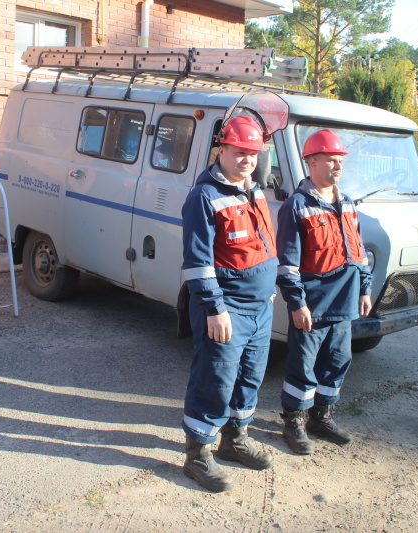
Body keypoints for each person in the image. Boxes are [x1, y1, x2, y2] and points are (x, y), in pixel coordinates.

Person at [180, 115, 278, 492]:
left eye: (252, 153)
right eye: (239, 152)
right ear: (221, 149)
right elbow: (197, 262)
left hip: (259, 308)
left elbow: (262, 244)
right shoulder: (204, 196)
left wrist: (268, 284)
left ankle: (234, 441)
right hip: (228, 309)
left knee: (249, 377)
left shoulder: (253, 191)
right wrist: (214, 309)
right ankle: (198, 456)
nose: (247, 160)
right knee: (215, 380)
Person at [276, 129, 373, 455]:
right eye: (330, 160)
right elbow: (287, 264)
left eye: (340, 160)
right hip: (313, 305)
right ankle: (294, 423)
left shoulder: (348, 204)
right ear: (311, 162)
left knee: (338, 360)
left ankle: (321, 416)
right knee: (302, 366)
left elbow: (358, 253)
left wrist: (364, 289)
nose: (337, 166)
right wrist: (297, 302)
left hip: (345, 302)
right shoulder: (296, 206)